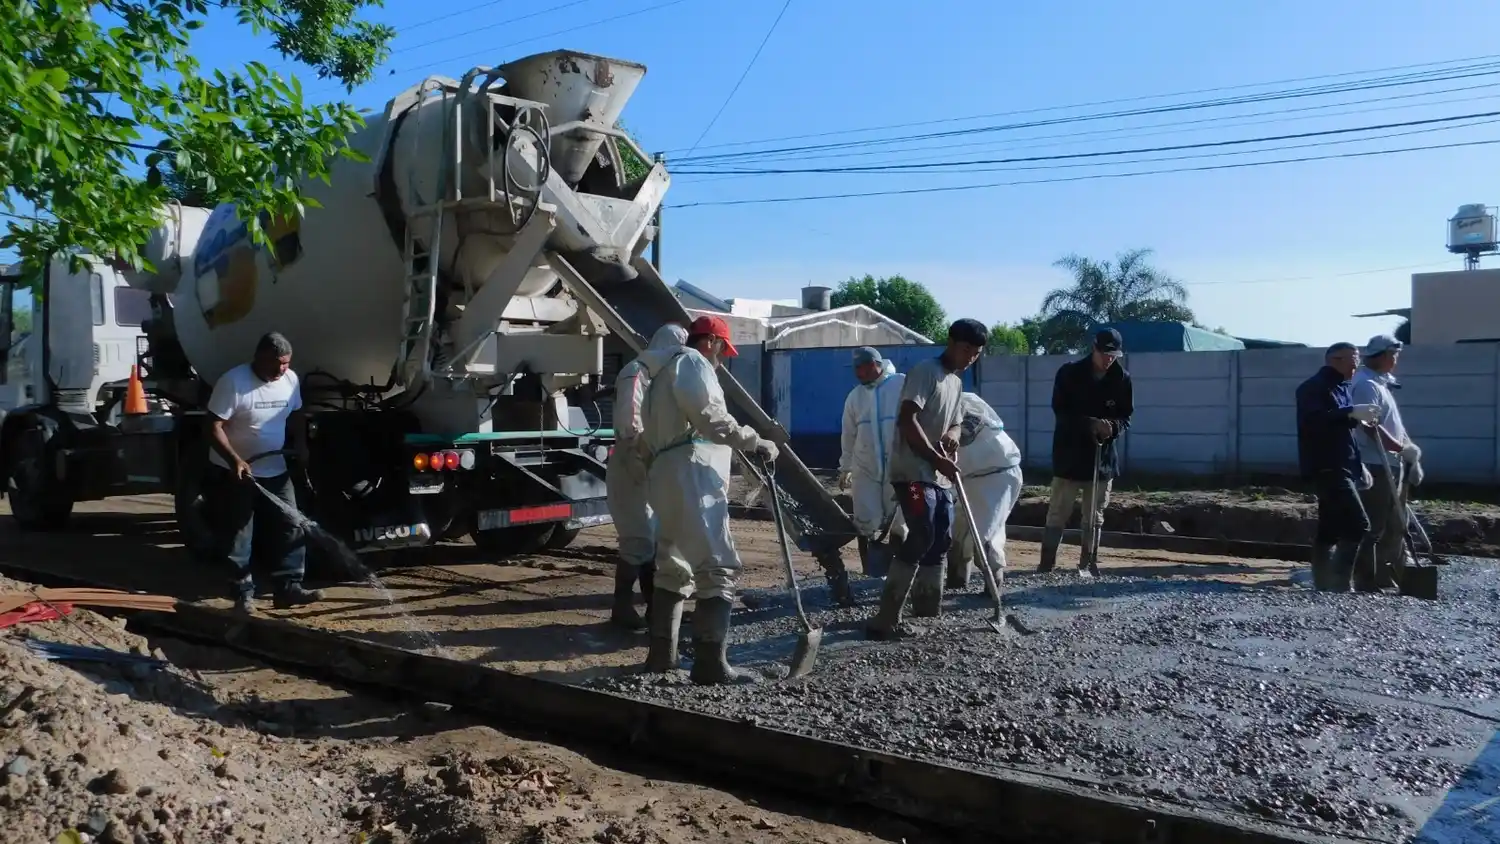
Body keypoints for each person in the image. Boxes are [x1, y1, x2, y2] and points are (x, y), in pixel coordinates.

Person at [636, 314, 779, 684]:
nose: (721, 358)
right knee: (717, 567)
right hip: (692, 474)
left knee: (673, 565)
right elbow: (711, 417)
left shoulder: (659, 374)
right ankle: (711, 664)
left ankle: (661, 657)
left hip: (667, 474)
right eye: (722, 350)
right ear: (712, 343)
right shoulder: (693, 363)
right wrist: (755, 440)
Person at [865, 318, 987, 639]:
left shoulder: (956, 382)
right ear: (951, 342)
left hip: (939, 475)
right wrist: (935, 458)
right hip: (913, 471)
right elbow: (908, 420)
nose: (970, 357)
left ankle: (928, 609)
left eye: (976, 353)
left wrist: (953, 434)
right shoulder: (926, 372)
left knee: (941, 538)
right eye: (966, 350)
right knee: (922, 533)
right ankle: (886, 617)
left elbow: (957, 423)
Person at [204, 332, 322, 614]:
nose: (283, 369)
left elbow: (296, 413)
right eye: (278, 363)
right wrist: (234, 460)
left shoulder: (290, 380)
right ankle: (242, 592)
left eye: (287, 363)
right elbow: (212, 426)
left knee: (290, 524)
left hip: (275, 468)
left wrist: (302, 445)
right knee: (241, 532)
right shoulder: (234, 382)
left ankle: (288, 587)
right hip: (238, 471)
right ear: (260, 358)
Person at [605, 323, 688, 629]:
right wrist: (644, 456)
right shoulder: (636, 372)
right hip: (632, 461)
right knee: (637, 539)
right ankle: (621, 607)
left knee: (655, 540)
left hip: (653, 464)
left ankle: (655, 608)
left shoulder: (661, 375)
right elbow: (630, 423)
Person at [1038, 328, 1133, 577]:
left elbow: (1126, 417)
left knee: (1095, 515)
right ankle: (1047, 564)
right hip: (1069, 457)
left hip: (1102, 461)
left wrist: (1111, 427)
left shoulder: (1122, 379)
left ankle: (1088, 562)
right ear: (1094, 347)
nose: (1108, 359)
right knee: (1058, 511)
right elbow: (1060, 411)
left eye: (1113, 355)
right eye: (1104, 353)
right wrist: (1090, 423)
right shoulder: (1069, 373)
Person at [1295, 342, 1383, 592]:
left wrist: (1359, 465)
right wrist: (1351, 412)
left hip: (1343, 465)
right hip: (1326, 465)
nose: (1357, 366)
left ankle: (1323, 582)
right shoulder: (1312, 388)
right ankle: (1339, 584)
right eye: (1353, 360)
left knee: (1330, 527)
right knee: (1358, 524)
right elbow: (1314, 421)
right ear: (1335, 360)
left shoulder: (1343, 388)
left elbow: (1346, 434)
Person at [1350, 334, 1422, 592]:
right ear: (1382, 355)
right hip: (1375, 463)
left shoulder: (1381, 383)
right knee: (1375, 525)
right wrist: (1401, 448)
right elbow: (1370, 427)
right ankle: (1364, 580)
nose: (1396, 360)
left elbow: (1394, 426)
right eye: (1394, 355)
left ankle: (1387, 576)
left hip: (1390, 462)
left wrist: (1409, 452)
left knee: (1395, 525)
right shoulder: (1366, 384)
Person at [837, 347, 906, 578]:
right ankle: (872, 573)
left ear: (875, 364)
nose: (858, 372)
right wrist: (845, 466)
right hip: (865, 467)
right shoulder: (855, 397)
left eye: (862, 367)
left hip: (898, 466)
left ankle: (898, 573)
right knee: (865, 519)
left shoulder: (900, 385)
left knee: (898, 520)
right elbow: (848, 435)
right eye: (856, 368)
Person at [945, 393, 1024, 591]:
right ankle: (957, 582)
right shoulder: (936, 407)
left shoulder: (964, 403)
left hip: (997, 474)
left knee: (985, 536)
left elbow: (966, 433)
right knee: (958, 531)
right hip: (968, 476)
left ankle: (993, 586)